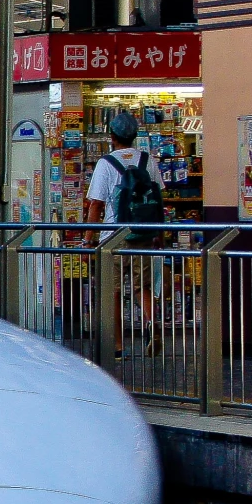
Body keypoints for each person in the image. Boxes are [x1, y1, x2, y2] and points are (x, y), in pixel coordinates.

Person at [86, 109, 164, 352]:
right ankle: (152, 323)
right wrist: (158, 234)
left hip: (114, 238)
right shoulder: (147, 160)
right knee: (144, 287)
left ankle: (117, 346)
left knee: (113, 291)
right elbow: (159, 197)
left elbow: (96, 204)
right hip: (142, 234)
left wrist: (88, 239)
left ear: (112, 136)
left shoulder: (106, 164)